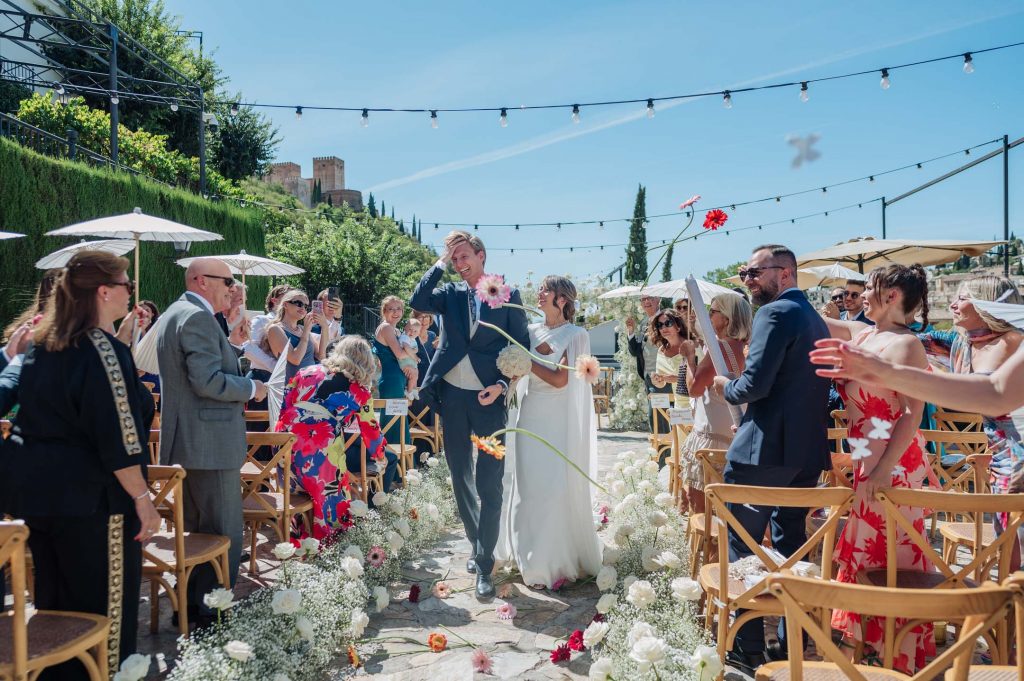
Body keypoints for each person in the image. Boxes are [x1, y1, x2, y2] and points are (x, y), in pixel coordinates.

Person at [0, 251, 158, 680]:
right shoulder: (99, 348)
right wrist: (144, 500)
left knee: (56, 610)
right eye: (128, 285)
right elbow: (119, 435)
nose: (131, 293)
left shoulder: (42, 346)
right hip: (94, 503)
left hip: (42, 501)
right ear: (104, 291)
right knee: (104, 616)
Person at [709, 244, 831, 669]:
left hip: (763, 452)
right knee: (791, 545)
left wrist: (726, 385)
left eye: (753, 272)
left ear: (785, 273)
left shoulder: (775, 313)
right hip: (806, 453)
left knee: (743, 549)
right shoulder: (815, 319)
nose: (747, 280)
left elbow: (755, 385)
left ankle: (746, 650)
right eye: (744, 273)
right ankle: (789, 640)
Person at [819, 264, 936, 673]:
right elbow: (818, 321)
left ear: (891, 297)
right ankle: (867, 656)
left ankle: (895, 658)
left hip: (893, 462)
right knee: (868, 556)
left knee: (891, 559)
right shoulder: (865, 333)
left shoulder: (907, 345)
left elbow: (911, 413)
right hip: (868, 453)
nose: (860, 294)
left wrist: (884, 468)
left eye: (867, 288)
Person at [410, 230, 530, 598]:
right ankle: (478, 548)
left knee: (489, 482)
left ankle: (484, 563)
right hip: (451, 399)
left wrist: (501, 383)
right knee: (460, 477)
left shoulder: (508, 296)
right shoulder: (450, 294)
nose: (460, 265)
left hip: (489, 401)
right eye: (455, 259)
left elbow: (520, 347)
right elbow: (418, 298)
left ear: (482, 256)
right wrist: (440, 263)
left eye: (464, 257)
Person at [157, 257, 267, 627]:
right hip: (208, 443)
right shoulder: (198, 317)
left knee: (199, 534)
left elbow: (201, 373)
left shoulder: (178, 313)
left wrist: (234, 349)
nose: (233, 289)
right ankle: (212, 611)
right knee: (223, 532)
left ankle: (191, 606)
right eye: (228, 281)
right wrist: (253, 387)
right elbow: (207, 382)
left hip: (190, 442)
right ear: (202, 280)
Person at [496, 275, 602, 588]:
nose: (539, 294)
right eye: (540, 289)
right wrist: (513, 371)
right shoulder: (529, 331)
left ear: (562, 299)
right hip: (530, 414)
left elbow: (560, 380)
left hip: (558, 419)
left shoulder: (576, 334)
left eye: (546, 290)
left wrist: (527, 362)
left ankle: (551, 561)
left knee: (553, 487)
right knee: (528, 487)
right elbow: (519, 369)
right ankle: (527, 556)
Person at [275, 336, 389, 538]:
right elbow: (371, 432)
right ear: (366, 361)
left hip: (285, 445)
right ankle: (331, 548)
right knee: (333, 499)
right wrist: (381, 457)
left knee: (297, 497)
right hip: (319, 449)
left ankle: (299, 543)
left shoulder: (305, 372)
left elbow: (284, 409)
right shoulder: (359, 390)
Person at [678, 293, 751, 515]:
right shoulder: (745, 347)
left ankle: (709, 550)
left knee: (701, 507)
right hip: (735, 436)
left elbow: (695, 389)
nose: (707, 315)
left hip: (711, 441)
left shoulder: (722, 349)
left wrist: (689, 358)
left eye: (713, 311)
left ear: (727, 319)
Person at [264, 288, 330, 387]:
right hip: (291, 388)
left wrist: (324, 326)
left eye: (306, 306)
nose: (303, 308)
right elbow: (295, 359)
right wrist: (307, 331)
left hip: (309, 387)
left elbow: (321, 356)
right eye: (299, 303)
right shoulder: (275, 329)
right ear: (286, 305)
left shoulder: (303, 329)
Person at [374, 296, 416, 443]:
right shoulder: (386, 327)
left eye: (399, 308)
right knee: (393, 420)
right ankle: (392, 458)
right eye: (391, 309)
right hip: (392, 379)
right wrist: (414, 355)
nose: (396, 312)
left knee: (399, 418)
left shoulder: (396, 330)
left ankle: (401, 460)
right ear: (384, 311)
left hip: (398, 377)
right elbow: (399, 354)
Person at [397, 317, 423, 398]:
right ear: (405, 328)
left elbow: (416, 349)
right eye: (410, 329)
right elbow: (407, 348)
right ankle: (409, 391)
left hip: (410, 362)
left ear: (418, 333)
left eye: (415, 331)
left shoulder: (413, 339)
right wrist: (415, 357)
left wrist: (414, 351)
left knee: (416, 375)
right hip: (405, 362)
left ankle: (414, 389)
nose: (412, 332)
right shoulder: (405, 337)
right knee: (414, 376)